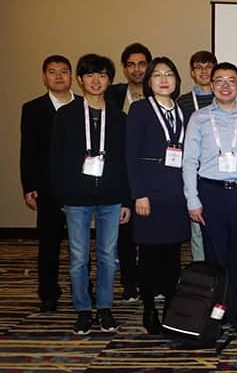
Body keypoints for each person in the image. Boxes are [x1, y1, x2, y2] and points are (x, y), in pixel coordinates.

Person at [183, 62, 237, 336]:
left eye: (231, 80)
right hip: (211, 194)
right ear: (211, 85)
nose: (225, 85)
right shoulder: (198, 118)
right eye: (219, 80)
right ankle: (217, 313)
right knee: (216, 260)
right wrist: (192, 199)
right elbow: (188, 161)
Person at [50, 53, 131, 335]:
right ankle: (83, 309)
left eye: (102, 75)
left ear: (109, 80)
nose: (96, 81)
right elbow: (56, 158)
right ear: (81, 80)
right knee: (78, 257)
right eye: (90, 75)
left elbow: (125, 161)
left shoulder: (119, 117)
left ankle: (105, 307)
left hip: (111, 197)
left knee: (109, 256)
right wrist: (62, 196)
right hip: (76, 198)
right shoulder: (66, 115)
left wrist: (127, 200)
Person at [126, 57, 191, 334]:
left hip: (177, 195)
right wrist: (139, 194)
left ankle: (170, 307)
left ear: (177, 80)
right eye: (157, 75)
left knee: (173, 256)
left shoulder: (183, 111)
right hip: (149, 196)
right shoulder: (140, 109)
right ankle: (149, 306)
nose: (164, 79)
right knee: (150, 256)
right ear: (149, 81)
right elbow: (130, 155)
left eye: (169, 74)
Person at [20, 55, 77, 313]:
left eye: (63, 71)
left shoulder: (85, 105)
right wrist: (29, 184)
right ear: (44, 77)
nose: (58, 76)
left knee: (81, 243)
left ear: (72, 76)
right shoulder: (32, 108)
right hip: (47, 187)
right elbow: (28, 150)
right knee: (49, 242)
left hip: (80, 187)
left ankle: (82, 288)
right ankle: (48, 292)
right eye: (52, 72)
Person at [106, 42, 153, 302]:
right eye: (131, 64)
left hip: (150, 176)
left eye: (142, 64)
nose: (137, 69)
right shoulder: (112, 95)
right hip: (120, 174)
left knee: (148, 233)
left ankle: (149, 280)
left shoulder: (158, 93)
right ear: (124, 68)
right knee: (124, 232)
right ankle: (129, 283)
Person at [177, 50, 217, 263]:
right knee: (197, 229)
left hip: (219, 173)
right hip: (193, 172)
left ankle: (222, 277)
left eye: (208, 66)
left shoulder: (225, 97)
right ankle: (202, 274)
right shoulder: (182, 102)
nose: (204, 71)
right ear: (192, 73)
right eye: (198, 68)